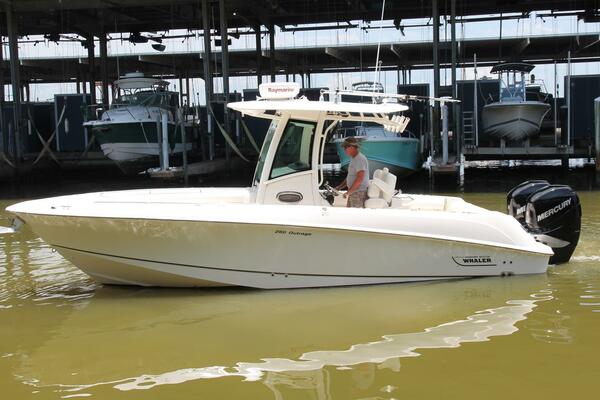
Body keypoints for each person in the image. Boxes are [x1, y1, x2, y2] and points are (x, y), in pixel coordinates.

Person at [335, 137, 370, 208]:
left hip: (358, 193)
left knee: (356, 217)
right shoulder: (354, 159)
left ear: (352, 147)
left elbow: (359, 179)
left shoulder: (360, 159)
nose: (344, 150)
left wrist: (348, 192)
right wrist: (339, 187)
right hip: (354, 192)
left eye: (345, 147)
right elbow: (349, 176)